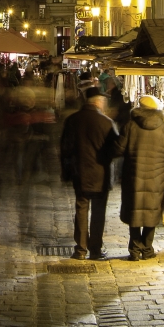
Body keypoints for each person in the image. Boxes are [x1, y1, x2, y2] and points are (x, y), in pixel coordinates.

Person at [59, 87, 118, 259]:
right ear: (98, 102)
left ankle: (81, 248)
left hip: (80, 173)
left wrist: (67, 172)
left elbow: (65, 149)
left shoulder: (72, 120)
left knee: (81, 208)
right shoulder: (106, 123)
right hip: (101, 174)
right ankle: (96, 249)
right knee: (98, 212)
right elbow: (115, 149)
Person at [118, 94, 164, 260]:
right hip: (157, 179)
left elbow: (119, 149)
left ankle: (135, 250)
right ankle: (147, 248)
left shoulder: (130, 126)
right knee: (152, 212)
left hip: (133, 177)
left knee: (135, 212)